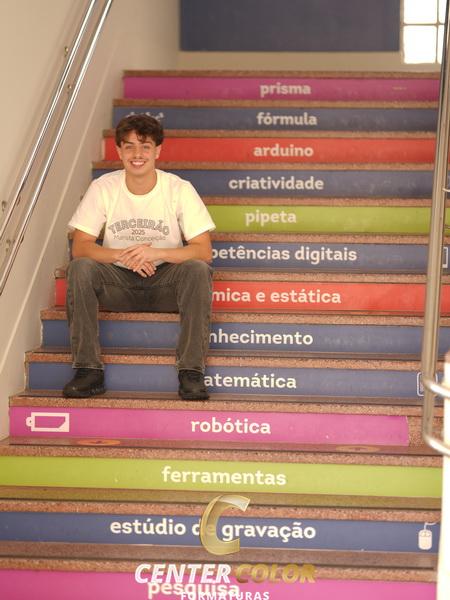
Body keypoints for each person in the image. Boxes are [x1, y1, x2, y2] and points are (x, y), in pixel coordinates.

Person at [63, 114, 215, 400]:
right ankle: (88, 370)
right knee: (80, 268)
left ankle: (191, 371)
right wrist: (124, 255)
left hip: (166, 284)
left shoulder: (179, 188)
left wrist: (156, 252)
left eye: (145, 146)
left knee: (197, 269)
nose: (137, 154)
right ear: (119, 151)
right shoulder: (103, 187)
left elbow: (203, 250)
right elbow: (80, 247)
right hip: (118, 284)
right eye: (129, 146)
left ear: (158, 151)